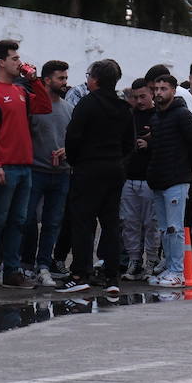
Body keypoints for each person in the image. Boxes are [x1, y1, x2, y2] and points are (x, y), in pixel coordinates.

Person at [0, 40, 53, 290]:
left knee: (19, 221)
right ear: (1, 62)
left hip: (24, 166)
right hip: (5, 167)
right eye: (15, 58)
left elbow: (44, 106)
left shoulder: (20, 90)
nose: (19, 62)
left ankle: (11, 271)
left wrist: (34, 80)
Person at [62, 58, 131, 294]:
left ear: (96, 80)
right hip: (114, 169)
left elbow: (72, 137)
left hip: (88, 169)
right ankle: (112, 278)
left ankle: (80, 273)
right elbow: (129, 143)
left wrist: (76, 161)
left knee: (83, 222)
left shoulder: (87, 104)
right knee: (110, 224)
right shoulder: (123, 107)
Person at [146, 73, 192, 287]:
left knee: (174, 227)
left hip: (176, 179)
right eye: (156, 89)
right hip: (159, 179)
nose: (159, 93)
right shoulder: (156, 117)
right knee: (164, 228)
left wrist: (187, 169)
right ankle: (170, 267)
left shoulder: (182, 115)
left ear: (173, 90)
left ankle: (178, 271)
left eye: (164, 89)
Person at [22, 60, 73, 287]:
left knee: (53, 223)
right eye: (60, 78)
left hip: (61, 173)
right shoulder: (33, 107)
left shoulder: (69, 109)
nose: (65, 82)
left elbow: (74, 140)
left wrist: (67, 151)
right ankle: (26, 265)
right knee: (27, 220)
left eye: (65, 78)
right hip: (35, 171)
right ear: (46, 80)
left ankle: (44, 265)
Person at [120, 78, 159, 280]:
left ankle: (151, 261)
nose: (139, 101)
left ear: (151, 94)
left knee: (152, 224)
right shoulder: (128, 115)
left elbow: (168, 142)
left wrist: (150, 144)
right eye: (135, 97)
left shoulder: (158, 116)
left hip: (150, 179)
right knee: (130, 223)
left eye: (143, 96)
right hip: (129, 178)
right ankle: (134, 261)